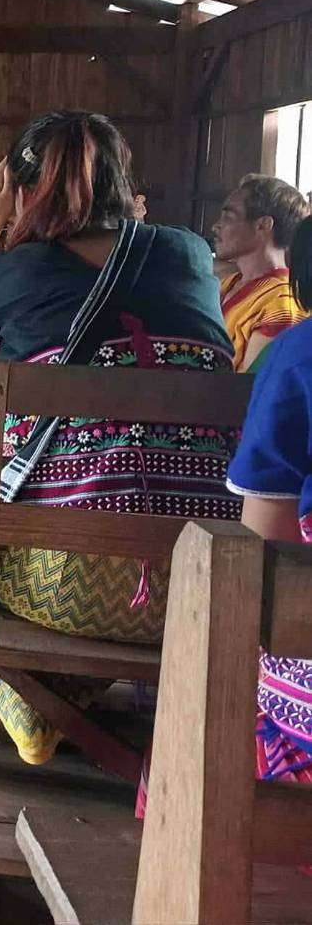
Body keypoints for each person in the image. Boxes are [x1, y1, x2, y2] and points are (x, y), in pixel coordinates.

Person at [0, 110, 240, 766]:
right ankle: (57, 698)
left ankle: (27, 694)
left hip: (61, 583)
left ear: (21, 191)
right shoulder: (189, 253)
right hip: (207, 577)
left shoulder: (19, 270)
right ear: (122, 181)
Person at [223, 216, 312, 793]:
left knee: (217, 683)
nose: (217, 224)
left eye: (230, 214)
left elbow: (265, 544)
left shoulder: (296, 350)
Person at [212, 173, 310, 372]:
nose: (216, 226)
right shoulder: (226, 283)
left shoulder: (281, 303)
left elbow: (251, 388)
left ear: (263, 225)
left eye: (229, 217)